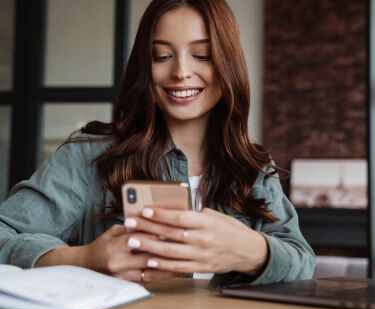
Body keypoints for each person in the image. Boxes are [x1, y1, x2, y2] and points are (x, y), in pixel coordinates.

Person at [0, 0, 315, 288]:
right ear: (144, 67)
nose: (180, 72)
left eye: (202, 55)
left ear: (227, 63)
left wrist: (249, 250)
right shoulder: (89, 156)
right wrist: (83, 259)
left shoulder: (253, 167)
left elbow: (302, 261)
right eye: (162, 56)